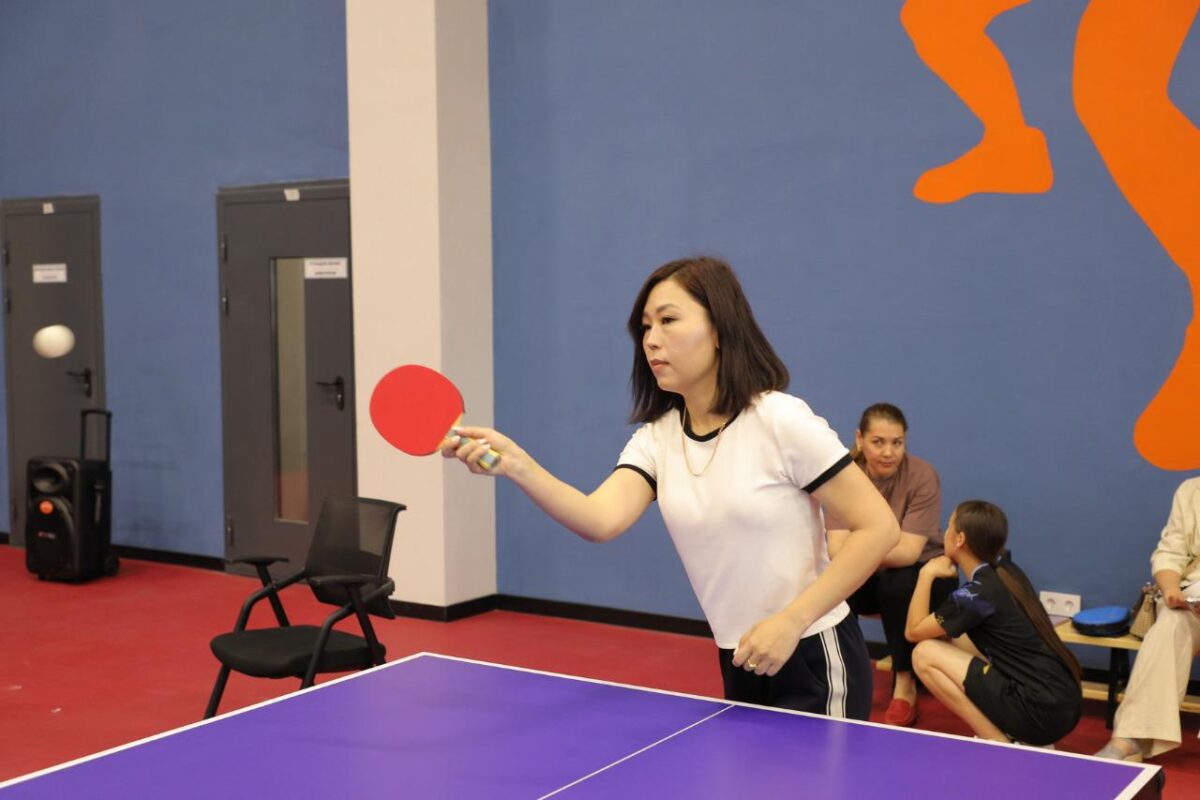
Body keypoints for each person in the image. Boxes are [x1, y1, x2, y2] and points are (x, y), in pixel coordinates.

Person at [443, 256, 899, 718]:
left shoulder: (779, 419)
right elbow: (599, 519)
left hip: (814, 651)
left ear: (719, 329)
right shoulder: (657, 439)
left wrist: (791, 621)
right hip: (739, 656)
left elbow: (879, 528)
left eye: (668, 320)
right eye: (645, 326)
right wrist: (516, 465)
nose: (651, 339)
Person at [904, 500, 1083, 745]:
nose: (944, 533)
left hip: (1037, 713)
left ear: (960, 539)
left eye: (948, 526)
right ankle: (1015, 733)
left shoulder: (975, 595)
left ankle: (998, 741)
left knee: (923, 654)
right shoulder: (1007, 571)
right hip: (1066, 702)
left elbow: (913, 632)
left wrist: (926, 575)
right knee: (953, 638)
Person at [825, 403, 956, 726]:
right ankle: (842, 674)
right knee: (834, 582)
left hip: (926, 575)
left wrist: (859, 548)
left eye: (897, 443)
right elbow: (835, 548)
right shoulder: (844, 477)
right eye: (878, 442)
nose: (888, 452)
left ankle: (904, 683)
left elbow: (908, 552)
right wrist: (858, 553)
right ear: (860, 439)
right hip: (871, 570)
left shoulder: (922, 476)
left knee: (894, 584)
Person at [1096, 477, 1200, 762]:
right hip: (1194, 600)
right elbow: (1170, 553)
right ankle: (1130, 739)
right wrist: (1172, 592)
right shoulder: (1191, 490)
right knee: (1170, 626)